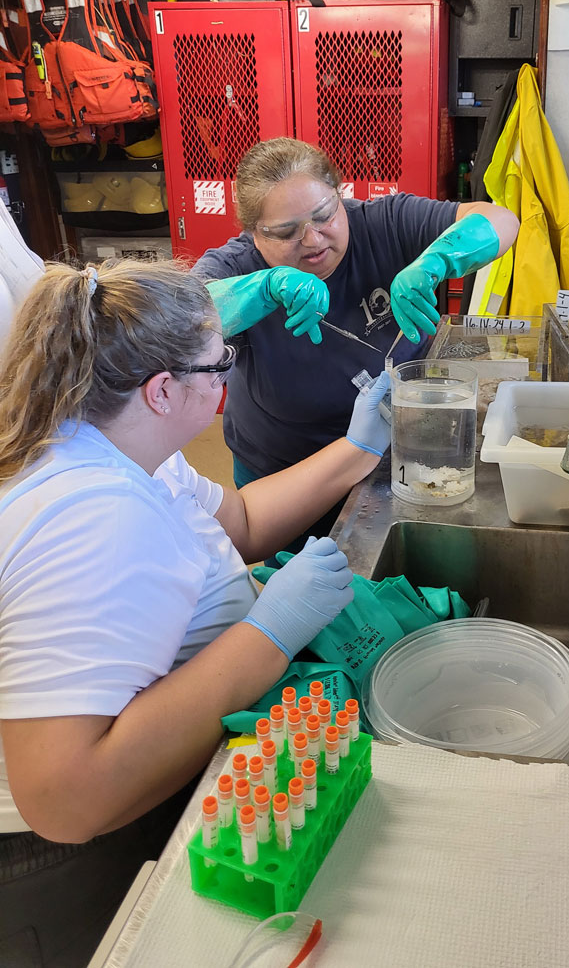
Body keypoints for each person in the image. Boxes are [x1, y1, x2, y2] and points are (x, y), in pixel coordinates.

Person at [0, 258, 391, 968]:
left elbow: (236, 519)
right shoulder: (95, 517)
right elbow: (65, 798)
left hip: (112, 802)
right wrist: (266, 633)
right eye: (220, 364)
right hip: (63, 858)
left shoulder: (122, 440)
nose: (226, 379)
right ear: (161, 389)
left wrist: (356, 449)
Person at [194, 138, 520, 507]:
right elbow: (182, 319)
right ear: (254, 231)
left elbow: (501, 219)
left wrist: (437, 261)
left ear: (339, 193)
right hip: (287, 471)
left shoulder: (383, 223)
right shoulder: (237, 266)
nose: (313, 240)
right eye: (287, 232)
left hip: (401, 445)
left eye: (324, 215)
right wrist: (264, 289)